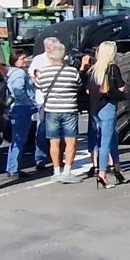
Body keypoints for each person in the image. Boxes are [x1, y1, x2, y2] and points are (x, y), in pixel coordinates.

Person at [33, 37, 83, 181]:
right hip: (69, 109)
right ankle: (67, 171)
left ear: (50, 56)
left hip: (51, 109)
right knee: (70, 141)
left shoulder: (43, 72)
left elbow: (40, 87)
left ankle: (56, 171)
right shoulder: (72, 72)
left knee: (53, 141)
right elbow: (78, 86)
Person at [82, 41, 128, 187]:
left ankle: (117, 168)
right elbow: (121, 88)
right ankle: (102, 173)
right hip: (108, 106)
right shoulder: (112, 68)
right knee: (106, 142)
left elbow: (88, 90)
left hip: (95, 108)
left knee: (111, 137)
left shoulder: (94, 69)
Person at [4, 48, 38, 181]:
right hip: (21, 108)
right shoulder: (19, 73)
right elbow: (18, 91)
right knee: (19, 140)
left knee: (16, 140)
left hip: (16, 108)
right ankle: (13, 168)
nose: (25, 60)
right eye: (22, 58)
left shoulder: (11, 72)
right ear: (15, 60)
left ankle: (12, 167)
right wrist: (29, 102)